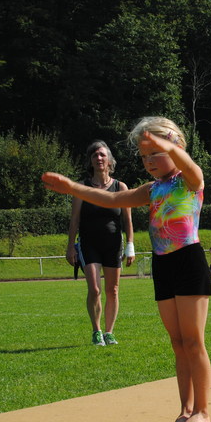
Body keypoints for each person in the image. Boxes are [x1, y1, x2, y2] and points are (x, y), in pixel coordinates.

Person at [44, 117, 211, 422]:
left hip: (188, 261)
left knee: (193, 341)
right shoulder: (153, 189)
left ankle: (202, 410)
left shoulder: (190, 180)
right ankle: (186, 408)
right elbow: (113, 198)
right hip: (163, 264)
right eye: (144, 156)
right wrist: (72, 188)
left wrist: (165, 145)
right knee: (177, 342)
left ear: (176, 147)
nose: (149, 161)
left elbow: (188, 165)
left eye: (155, 154)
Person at [66, 141, 135, 346]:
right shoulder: (82, 188)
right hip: (89, 244)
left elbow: (128, 220)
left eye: (103, 155)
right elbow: (74, 220)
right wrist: (70, 246)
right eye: (95, 155)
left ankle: (109, 332)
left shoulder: (120, 187)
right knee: (95, 289)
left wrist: (130, 245)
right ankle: (96, 331)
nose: (99, 158)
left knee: (112, 290)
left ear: (110, 160)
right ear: (90, 161)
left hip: (113, 244)